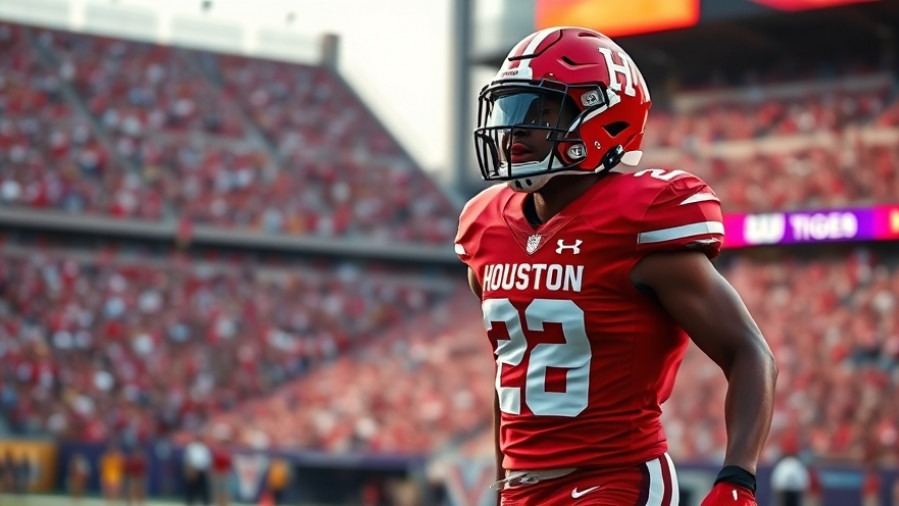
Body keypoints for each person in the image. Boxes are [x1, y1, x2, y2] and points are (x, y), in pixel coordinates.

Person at [454, 26, 778, 505]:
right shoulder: (486, 225)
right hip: (523, 489)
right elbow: (510, 372)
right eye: (511, 107)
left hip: (616, 481)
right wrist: (505, 482)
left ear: (601, 118)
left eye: (540, 109)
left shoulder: (641, 218)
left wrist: (738, 479)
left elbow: (751, 353)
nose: (516, 128)